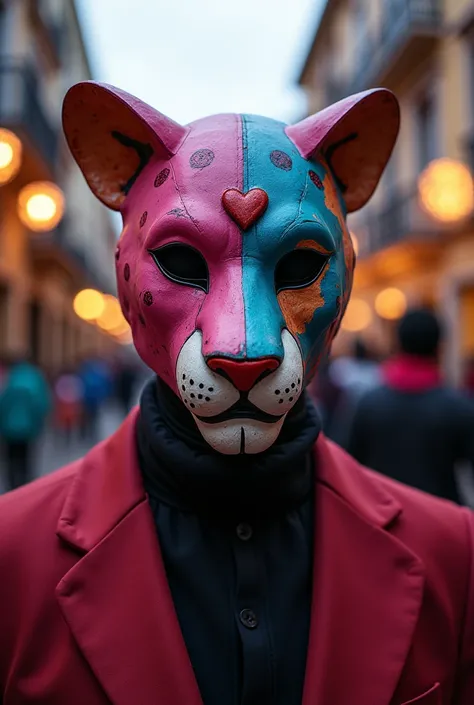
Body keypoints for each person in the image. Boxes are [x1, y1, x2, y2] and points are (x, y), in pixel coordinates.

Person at [0, 83, 472, 705]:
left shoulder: (454, 556)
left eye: (299, 266)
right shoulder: (12, 559)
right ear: (125, 265)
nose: (244, 347)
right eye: (182, 262)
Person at [347, 309, 474, 503]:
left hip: (383, 516)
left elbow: (348, 466)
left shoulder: (368, 404)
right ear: (439, 348)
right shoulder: (458, 406)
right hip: (441, 519)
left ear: (397, 344)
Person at [0, 355, 51, 490]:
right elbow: (42, 404)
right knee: (26, 458)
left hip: (8, 428)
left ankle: (12, 486)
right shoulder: (35, 377)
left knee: (11, 459)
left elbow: (2, 403)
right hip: (29, 427)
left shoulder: (8, 377)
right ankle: (25, 487)